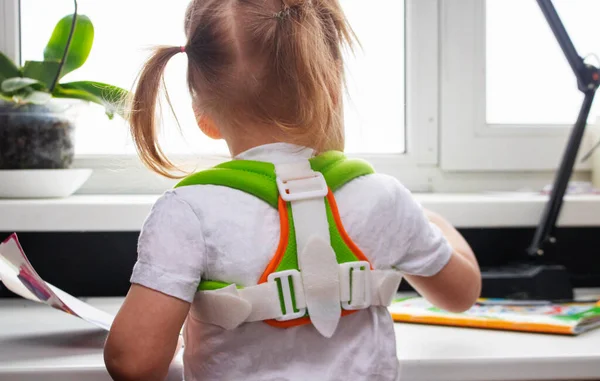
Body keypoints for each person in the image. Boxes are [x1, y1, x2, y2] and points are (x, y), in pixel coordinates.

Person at [103, 0, 481, 380]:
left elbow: (133, 363)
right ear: (330, 87)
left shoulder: (189, 210)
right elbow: (462, 293)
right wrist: (432, 223)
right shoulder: (384, 198)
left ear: (202, 114)